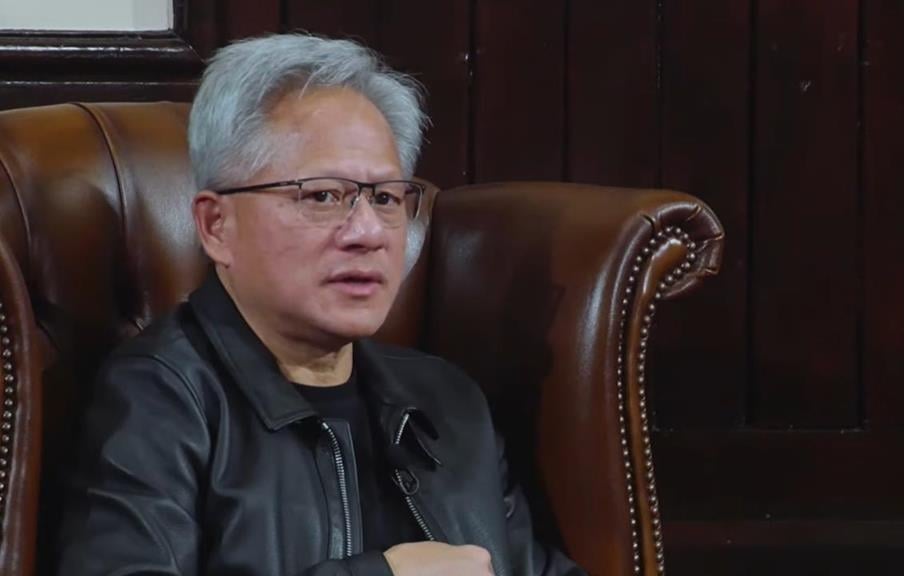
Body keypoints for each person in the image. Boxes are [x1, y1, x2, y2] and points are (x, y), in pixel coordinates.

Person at [57, 34, 585, 576]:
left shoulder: (448, 402)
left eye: (385, 198)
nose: (368, 232)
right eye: (323, 196)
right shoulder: (161, 398)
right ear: (216, 226)